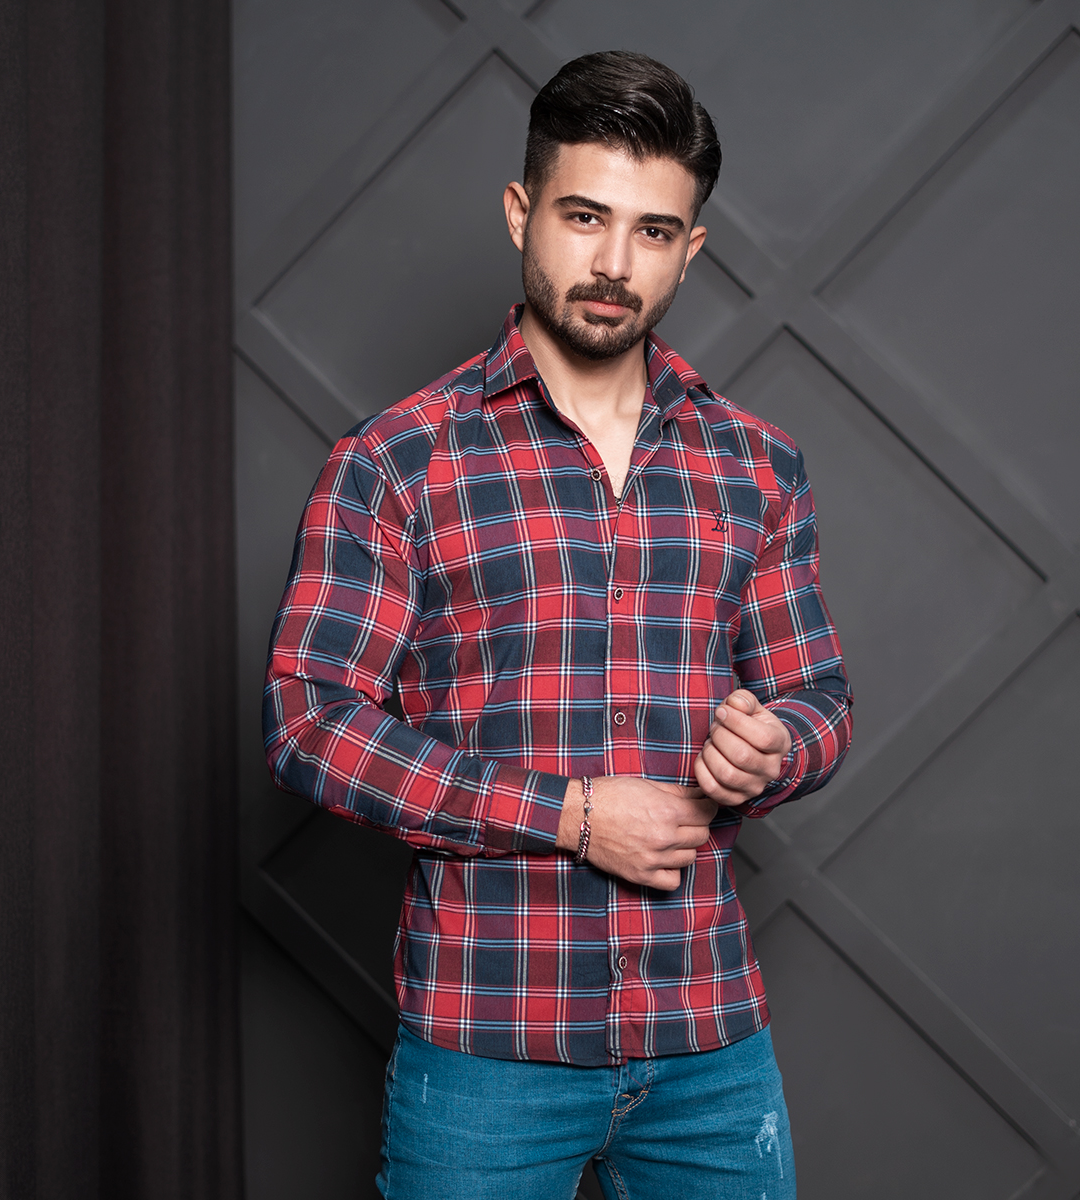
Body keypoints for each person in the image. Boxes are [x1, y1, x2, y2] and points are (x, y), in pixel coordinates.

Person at [264, 49, 851, 1200]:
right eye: (585, 217)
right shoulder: (397, 461)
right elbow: (310, 723)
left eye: (652, 231)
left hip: (711, 1045)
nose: (614, 264)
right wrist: (572, 817)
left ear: (691, 248)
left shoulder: (758, 465)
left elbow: (819, 695)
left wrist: (779, 749)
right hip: (488, 1048)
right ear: (520, 212)